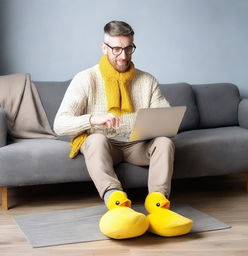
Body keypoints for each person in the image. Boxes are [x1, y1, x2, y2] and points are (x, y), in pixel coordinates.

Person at [54, 21, 178, 238]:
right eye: (116, 49)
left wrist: (147, 123)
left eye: (128, 48)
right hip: (105, 145)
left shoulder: (147, 80)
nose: (123, 56)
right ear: (104, 48)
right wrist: (93, 119)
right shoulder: (85, 79)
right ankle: (117, 204)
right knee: (95, 140)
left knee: (165, 143)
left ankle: (158, 205)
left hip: (136, 145)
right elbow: (59, 124)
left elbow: (165, 117)